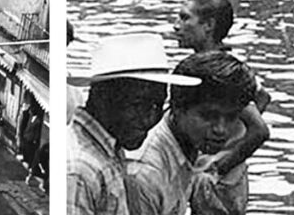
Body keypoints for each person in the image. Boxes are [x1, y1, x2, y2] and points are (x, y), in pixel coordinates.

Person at [68, 33, 200, 215]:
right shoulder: (79, 170)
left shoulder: (108, 153)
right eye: (137, 105)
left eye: (158, 105)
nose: (149, 119)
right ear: (102, 97)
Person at [172, 0, 271, 215]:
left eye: (185, 18)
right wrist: (233, 129)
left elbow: (260, 130)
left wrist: (219, 164)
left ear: (208, 26)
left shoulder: (220, 77)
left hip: (217, 181)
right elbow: (263, 96)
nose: (176, 26)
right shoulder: (222, 66)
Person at [127, 50, 261, 215]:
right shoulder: (146, 173)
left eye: (232, 117)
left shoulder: (188, 146)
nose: (221, 130)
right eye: (209, 116)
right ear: (177, 107)